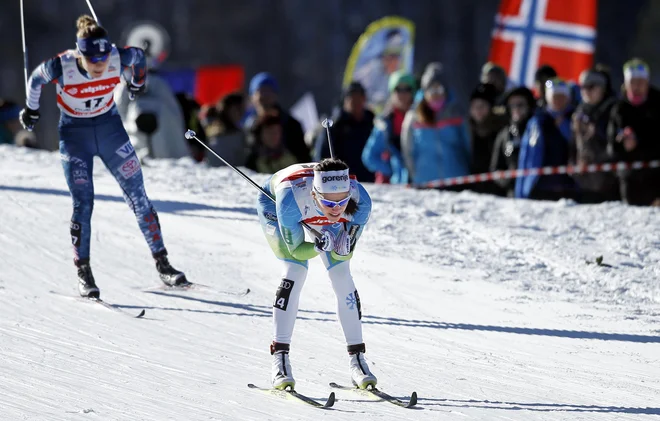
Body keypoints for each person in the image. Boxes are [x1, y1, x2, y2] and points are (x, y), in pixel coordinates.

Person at [19, 15, 188, 298]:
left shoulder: (117, 56)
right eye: (92, 60)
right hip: (75, 135)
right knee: (83, 203)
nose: (99, 65)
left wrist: (137, 82)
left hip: (110, 131)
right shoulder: (63, 64)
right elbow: (36, 79)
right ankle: (84, 272)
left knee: (138, 196)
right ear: (80, 54)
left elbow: (139, 57)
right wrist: (31, 109)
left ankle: (163, 264)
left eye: (103, 58)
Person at [256, 158, 376, 390]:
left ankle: (358, 360)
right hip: (275, 203)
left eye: (342, 202)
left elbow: (343, 255)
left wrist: (342, 247)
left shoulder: (360, 202)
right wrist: (318, 246)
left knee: (341, 274)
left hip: (313, 207)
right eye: (330, 204)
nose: (336, 209)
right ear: (314, 194)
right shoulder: (290, 200)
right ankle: (279, 360)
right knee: (295, 270)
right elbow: (297, 251)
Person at [401, 63, 471, 187]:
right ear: (424, 92)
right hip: (425, 181)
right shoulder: (414, 117)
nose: (435, 94)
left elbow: (468, 146)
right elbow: (408, 151)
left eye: (439, 89)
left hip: (456, 180)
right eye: (431, 89)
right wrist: (415, 175)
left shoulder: (457, 114)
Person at [362, 70, 416, 184]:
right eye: (398, 89)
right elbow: (369, 157)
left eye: (407, 89)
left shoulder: (422, 118)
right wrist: (393, 170)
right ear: (392, 92)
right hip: (395, 185)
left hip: (420, 180)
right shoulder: (384, 124)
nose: (403, 94)